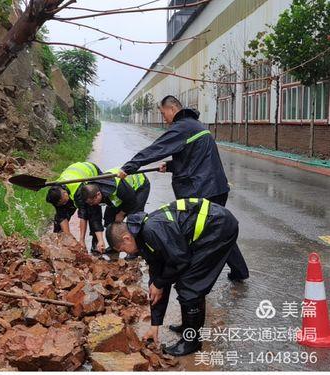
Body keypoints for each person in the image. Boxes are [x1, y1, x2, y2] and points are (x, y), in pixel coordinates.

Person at [117, 95, 248, 282]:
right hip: (216, 187)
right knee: (218, 230)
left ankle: (194, 279)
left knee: (202, 234)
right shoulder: (195, 125)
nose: (164, 118)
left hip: (201, 191)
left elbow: (157, 148)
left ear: (172, 109)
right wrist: (170, 166)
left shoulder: (182, 127)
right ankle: (239, 271)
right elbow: (195, 158)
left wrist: (128, 167)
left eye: (163, 113)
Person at [106, 198, 240, 356]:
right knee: (176, 281)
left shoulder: (151, 230)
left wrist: (160, 282)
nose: (127, 253)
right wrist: (155, 324)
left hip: (218, 226)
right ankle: (187, 325)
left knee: (190, 285)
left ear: (126, 238)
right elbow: (158, 275)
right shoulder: (142, 237)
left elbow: (180, 261)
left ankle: (192, 342)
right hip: (209, 228)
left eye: (123, 249)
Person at [78, 167, 150, 258]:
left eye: (92, 203)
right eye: (89, 203)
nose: (91, 205)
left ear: (98, 195)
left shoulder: (118, 187)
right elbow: (95, 218)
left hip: (139, 187)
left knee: (133, 219)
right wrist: (100, 240)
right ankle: (115, 246)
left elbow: (132, 201)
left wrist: (122, 213)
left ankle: (135, 250)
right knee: (109, 219)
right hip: (121, 195)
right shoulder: (90, 192)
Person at [45, 161, 103, 252]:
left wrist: (81, 240)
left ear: (64, 193)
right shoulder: (56, 193)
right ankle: (58, 245)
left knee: (92, 211)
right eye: (61, 204)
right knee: (59, 221)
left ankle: (96, 245)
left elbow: (83, 216)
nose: (63, 204)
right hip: (73, 176)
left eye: (63, 202)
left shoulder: (79, 191)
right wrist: (69, 238)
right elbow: (61, 217)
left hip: (92, 173)